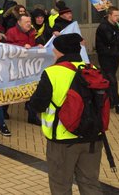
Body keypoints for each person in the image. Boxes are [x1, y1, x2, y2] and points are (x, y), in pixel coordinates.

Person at [29, 33, 104, 194]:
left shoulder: (52, 73)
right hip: (93, 137)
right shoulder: (93, 70)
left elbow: (37, 104)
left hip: (63, 139)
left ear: (60, 51)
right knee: (90, 183)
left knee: (61, 185)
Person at [95, 6, 119, 114]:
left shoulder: (118, 24)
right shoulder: (103, 27)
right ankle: (118, 103)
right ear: (109, 15)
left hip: (115, 55)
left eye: (118, 15)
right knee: (112, 79)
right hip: (105, 56)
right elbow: (111, 40)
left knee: (109, 79)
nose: (117, 18)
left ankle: (109, 100)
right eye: (115, 15)